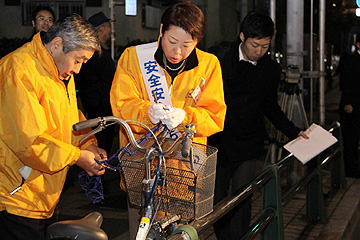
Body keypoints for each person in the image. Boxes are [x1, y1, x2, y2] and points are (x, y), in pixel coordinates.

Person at [110, 1, 226, 238]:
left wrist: (186, 116)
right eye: (172, 42)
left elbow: (215, 115)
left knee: (180, 234)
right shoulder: (134, 58)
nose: (177, 52)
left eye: (187, 45)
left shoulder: (208, 65)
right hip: (143, 172)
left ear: (198, 41)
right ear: (161, 30)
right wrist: (146, 112)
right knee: (140, 234)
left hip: (185, 173)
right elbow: (121, 105)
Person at [0, 14, 106, 240]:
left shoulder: (57, 69)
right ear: (57, 44)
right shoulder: (19, 70)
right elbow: (30, 142)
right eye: (78, 60)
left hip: (41, 194)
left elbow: (69, 116)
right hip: (16, 197)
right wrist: (78, 156)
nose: (78, 69)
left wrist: (88, 142)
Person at [208, 12, 308, 239]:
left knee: (243, 196)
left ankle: (240, 237)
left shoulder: (270, 69)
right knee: (216, 199)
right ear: (242, 36)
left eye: (265, 46)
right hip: (217, 139)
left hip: (248, 140)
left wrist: (294, 131)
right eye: (255, 45)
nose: (259, 51)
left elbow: (270, 107)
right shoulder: (218, 58)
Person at [75, 11, 116, 155]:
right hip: (99, 114)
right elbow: (89, 83)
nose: (110, 30)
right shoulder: (95, 54)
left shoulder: (100, 53)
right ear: (101, 29)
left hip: (101, 110)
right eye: (108, 27)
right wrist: (98, 106)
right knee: (100, 150)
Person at [338, 34, 360, 178]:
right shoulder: (352, 60)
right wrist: (347, 102)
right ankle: (351, 171)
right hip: (352, 107)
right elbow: (345, 82)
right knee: (351, 140)